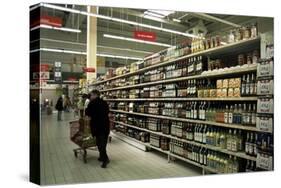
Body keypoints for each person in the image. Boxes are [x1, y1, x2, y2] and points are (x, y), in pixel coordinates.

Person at [85, 90, 110, 168]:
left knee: (99, 143)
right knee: (103, 143)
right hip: (105, 125)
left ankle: (105, 159)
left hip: (97, 126)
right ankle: (102, 157)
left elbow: (87, 113)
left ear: (95, 95)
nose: (90, 96)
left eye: (91, 95)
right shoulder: (104, 102)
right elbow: (107, 112)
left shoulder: (92, 103)